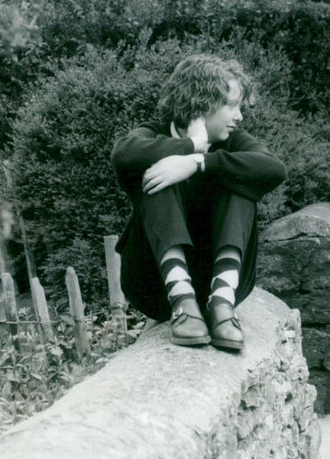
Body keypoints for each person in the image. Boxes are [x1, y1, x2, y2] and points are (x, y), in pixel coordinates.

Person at [111, 54, 286, 351]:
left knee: (238, 180)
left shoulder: (234, 141)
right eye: (231, 106)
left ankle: (221, 302)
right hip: (153, 286)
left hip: (224, 285)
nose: (239, 116)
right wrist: (189, 146)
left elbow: (274, 169)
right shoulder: (152, 133)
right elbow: (123, 154)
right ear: (201, 104)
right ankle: (182, 301)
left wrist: (198, 162)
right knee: (159, 175)